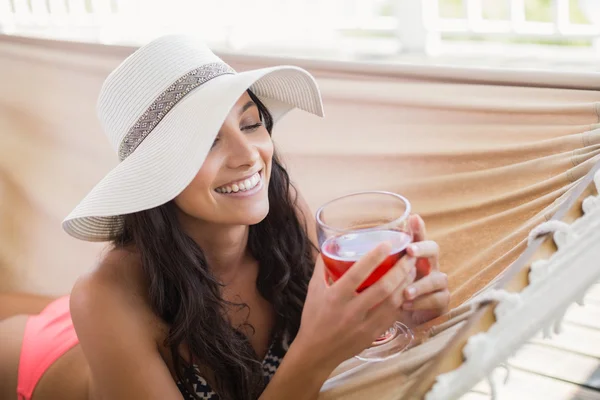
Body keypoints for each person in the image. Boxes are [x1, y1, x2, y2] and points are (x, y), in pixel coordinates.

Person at [0, 35, 450, 400]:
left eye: (252, 124)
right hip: (34, 357)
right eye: (207, 141)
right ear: (153, 174)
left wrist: (395, 313)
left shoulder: (277, 224)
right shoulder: (105, 295)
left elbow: (342, 330)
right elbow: (311, 355)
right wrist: (314, 352)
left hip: (115, 334)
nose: (247, 155)